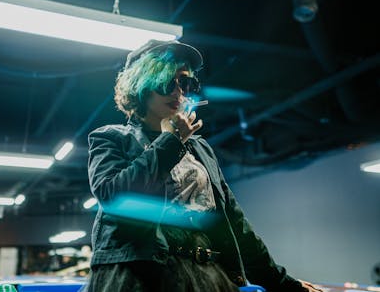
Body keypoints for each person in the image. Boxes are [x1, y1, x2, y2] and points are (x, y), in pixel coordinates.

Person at [84, 40, 322, 292]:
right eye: (167, 81)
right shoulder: (112, 137)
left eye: (186, 83)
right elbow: (114, 197)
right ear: (141, 85)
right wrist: (170, 142)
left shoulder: (199, 148)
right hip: (141, 278)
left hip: (206, 277)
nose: (178, 92)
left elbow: (234, 224)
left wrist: (284, 285)